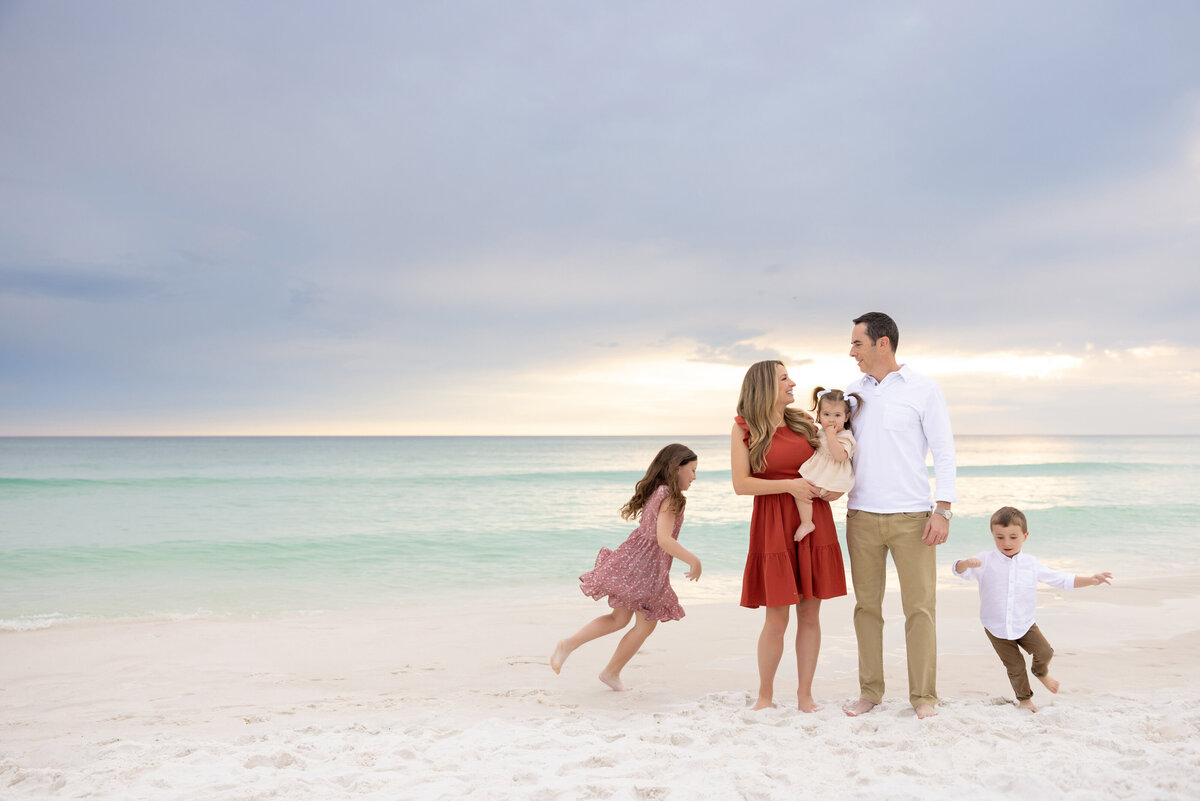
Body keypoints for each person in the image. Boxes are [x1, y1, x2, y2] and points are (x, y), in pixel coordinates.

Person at [843, 312, 956, 720]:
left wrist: (942, 509)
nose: (851, 351)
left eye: (858, 343)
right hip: (860, 517)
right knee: (866, 609)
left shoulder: (924, 389)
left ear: (882, 343)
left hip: (913, 518)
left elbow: (943, 451)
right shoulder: (852, 393)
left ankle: (924, 696)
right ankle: (869, 693)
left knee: (920, 609)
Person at [732, 361, 847, 712]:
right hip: (772, 523)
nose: (792, 382)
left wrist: (835, 491)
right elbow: (742, 484)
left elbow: (833, 462)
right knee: (777, 616)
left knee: (811, 615)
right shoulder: (744, 428)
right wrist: (790, 485)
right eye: (784, 378)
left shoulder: (805, 422)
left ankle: (805, 695)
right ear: (766, 386)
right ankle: (765, 696)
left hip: (814, 519)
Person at [550, 443, 702, 691]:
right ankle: (611, 672)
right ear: (677, 468)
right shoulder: (673, 497)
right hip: (647, 567)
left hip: (631, 558)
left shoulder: (657, 491)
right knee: (645, 625)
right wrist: (694, 560)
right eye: (693, 470)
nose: (695, 477)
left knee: (618, 618)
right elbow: (664, 539)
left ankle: (569, 645)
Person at [954, 506, 1112, 712]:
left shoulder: (1031, 564)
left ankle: (1040, 672)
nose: (1006, 543)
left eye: (1013, 537)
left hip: (1025, 622)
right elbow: (959, 571)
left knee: (1045, 652)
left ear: (1025, 536)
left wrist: (1091, 580)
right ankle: (1025, 700)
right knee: (1015, 666)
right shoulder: (984, 560)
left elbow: (1061, 579)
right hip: (996, 627)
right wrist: (965, 563)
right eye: (999, 537)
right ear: (992, 535)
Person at [794, 387, 862, 543]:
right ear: (819, 415)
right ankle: (806, 522)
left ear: (847, 417)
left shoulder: (846, 436)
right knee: (802, 490)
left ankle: (807, 523)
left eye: (837, 415)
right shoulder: (821, 432)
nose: (831, 420)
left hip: (832, 477)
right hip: (821, 472)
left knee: (804, 492)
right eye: (826, 415)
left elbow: (839, 456)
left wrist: (831, 436)